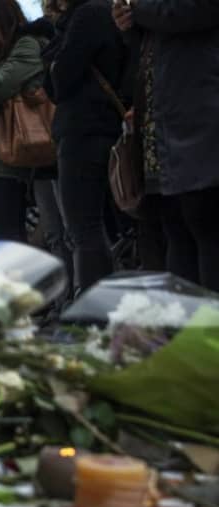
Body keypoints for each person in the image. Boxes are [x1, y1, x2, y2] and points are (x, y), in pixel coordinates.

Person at [113, 0, 219, 291]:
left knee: (204, 225)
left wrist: (137, 10)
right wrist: (128, 25)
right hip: (164, 126)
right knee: (174, 227)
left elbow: (191, 12)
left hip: (199, 121)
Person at [42, 0, 125, 296]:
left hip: (82, 129)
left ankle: (94, 311)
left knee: (83, 227)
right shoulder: (105, 12)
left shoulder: (86, 15)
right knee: (103, 226)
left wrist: (56, 47)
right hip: (108, 126)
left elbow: (59, 81)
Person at [0, 0, 45, 245]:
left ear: (7, 22)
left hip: (3, 160)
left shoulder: (26, 46)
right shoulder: (0, 56)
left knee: (3, 239)